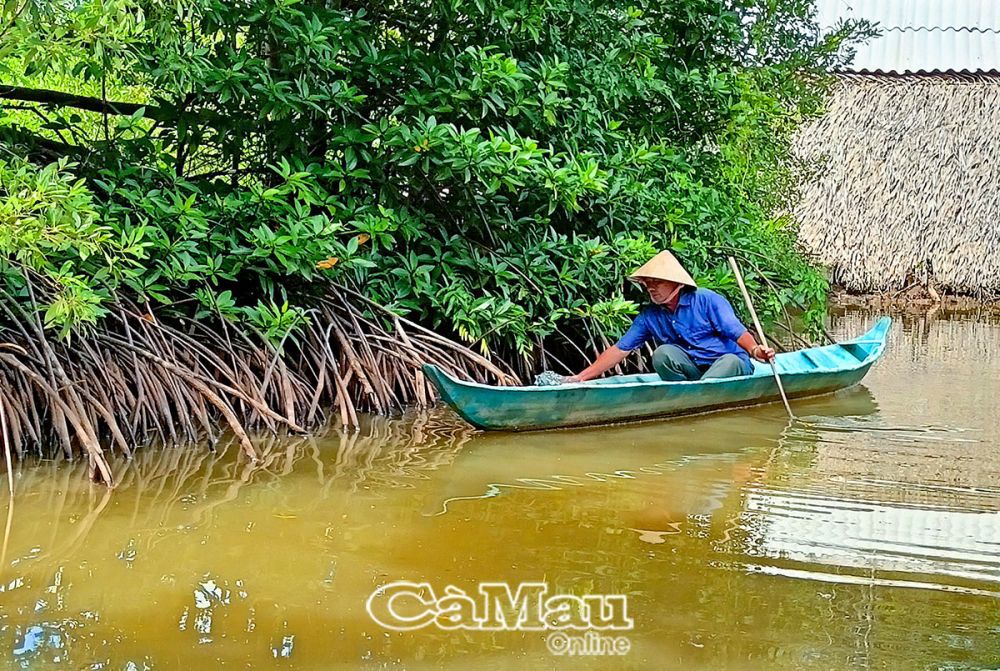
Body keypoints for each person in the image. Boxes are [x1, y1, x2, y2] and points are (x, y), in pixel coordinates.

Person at [566, 250, 775, 383]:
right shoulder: (650, 315)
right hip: (694, 371)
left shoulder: (706, 300)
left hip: (728, 365)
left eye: (657, 282)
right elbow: (620, 349)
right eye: (648, 283)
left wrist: (756, 350)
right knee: (662, 353)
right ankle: (688, 396)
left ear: (676, 284)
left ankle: (700, 395)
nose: (651, 288)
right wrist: (580, 377)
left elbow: (735, 330)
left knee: (729, 360)